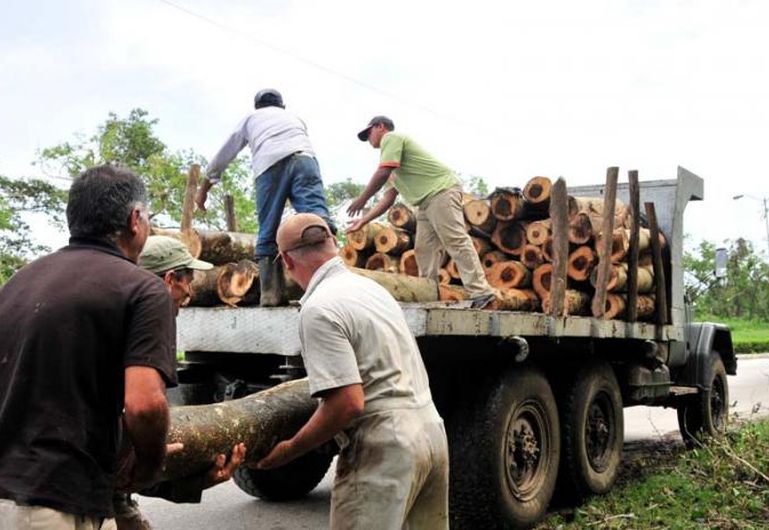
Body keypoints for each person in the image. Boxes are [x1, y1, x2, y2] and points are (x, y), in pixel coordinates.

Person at [0, 165, 177, 529]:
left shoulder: (18, 282)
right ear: (135, 219)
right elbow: (144, 405)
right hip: (55, 503)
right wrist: (150, 466)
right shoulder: (142, 288)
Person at [257, 213, 449, 529]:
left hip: (386, 445)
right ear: (334, 243)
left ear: (286, 262)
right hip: (431, 431)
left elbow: (347, 402)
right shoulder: (373, 289)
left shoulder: (319, 307)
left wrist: (291, 450)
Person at [112, 235, 247, 530]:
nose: (190, 291)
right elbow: (142, 414)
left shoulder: (115, 310)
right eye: (189, 280)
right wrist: (154, 463)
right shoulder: (140, 325)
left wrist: (193, 481)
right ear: (171, 279)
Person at [196, 88, 336, 307]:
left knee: (268, 228)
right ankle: (333, 285)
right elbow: (292, 151)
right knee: (318, 220)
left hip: (269, 165)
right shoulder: (294, 118)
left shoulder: (251, 118)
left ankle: (270, 295)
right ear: (282, 106)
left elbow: (226, 151)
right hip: (305, 160)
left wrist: (203, 189)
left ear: (257, 106)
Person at [347, 115, 496, 309]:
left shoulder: (391, 139)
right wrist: (364, 220)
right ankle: (429, 297)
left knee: (455, 239)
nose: (368, 139)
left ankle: (481, 292)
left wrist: (362, 199)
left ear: (380, 127)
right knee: (424, 249)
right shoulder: (391, 159)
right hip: (424, 203)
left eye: (368, 133)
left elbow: (382, 173)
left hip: (441, 190)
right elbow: (387, 199)